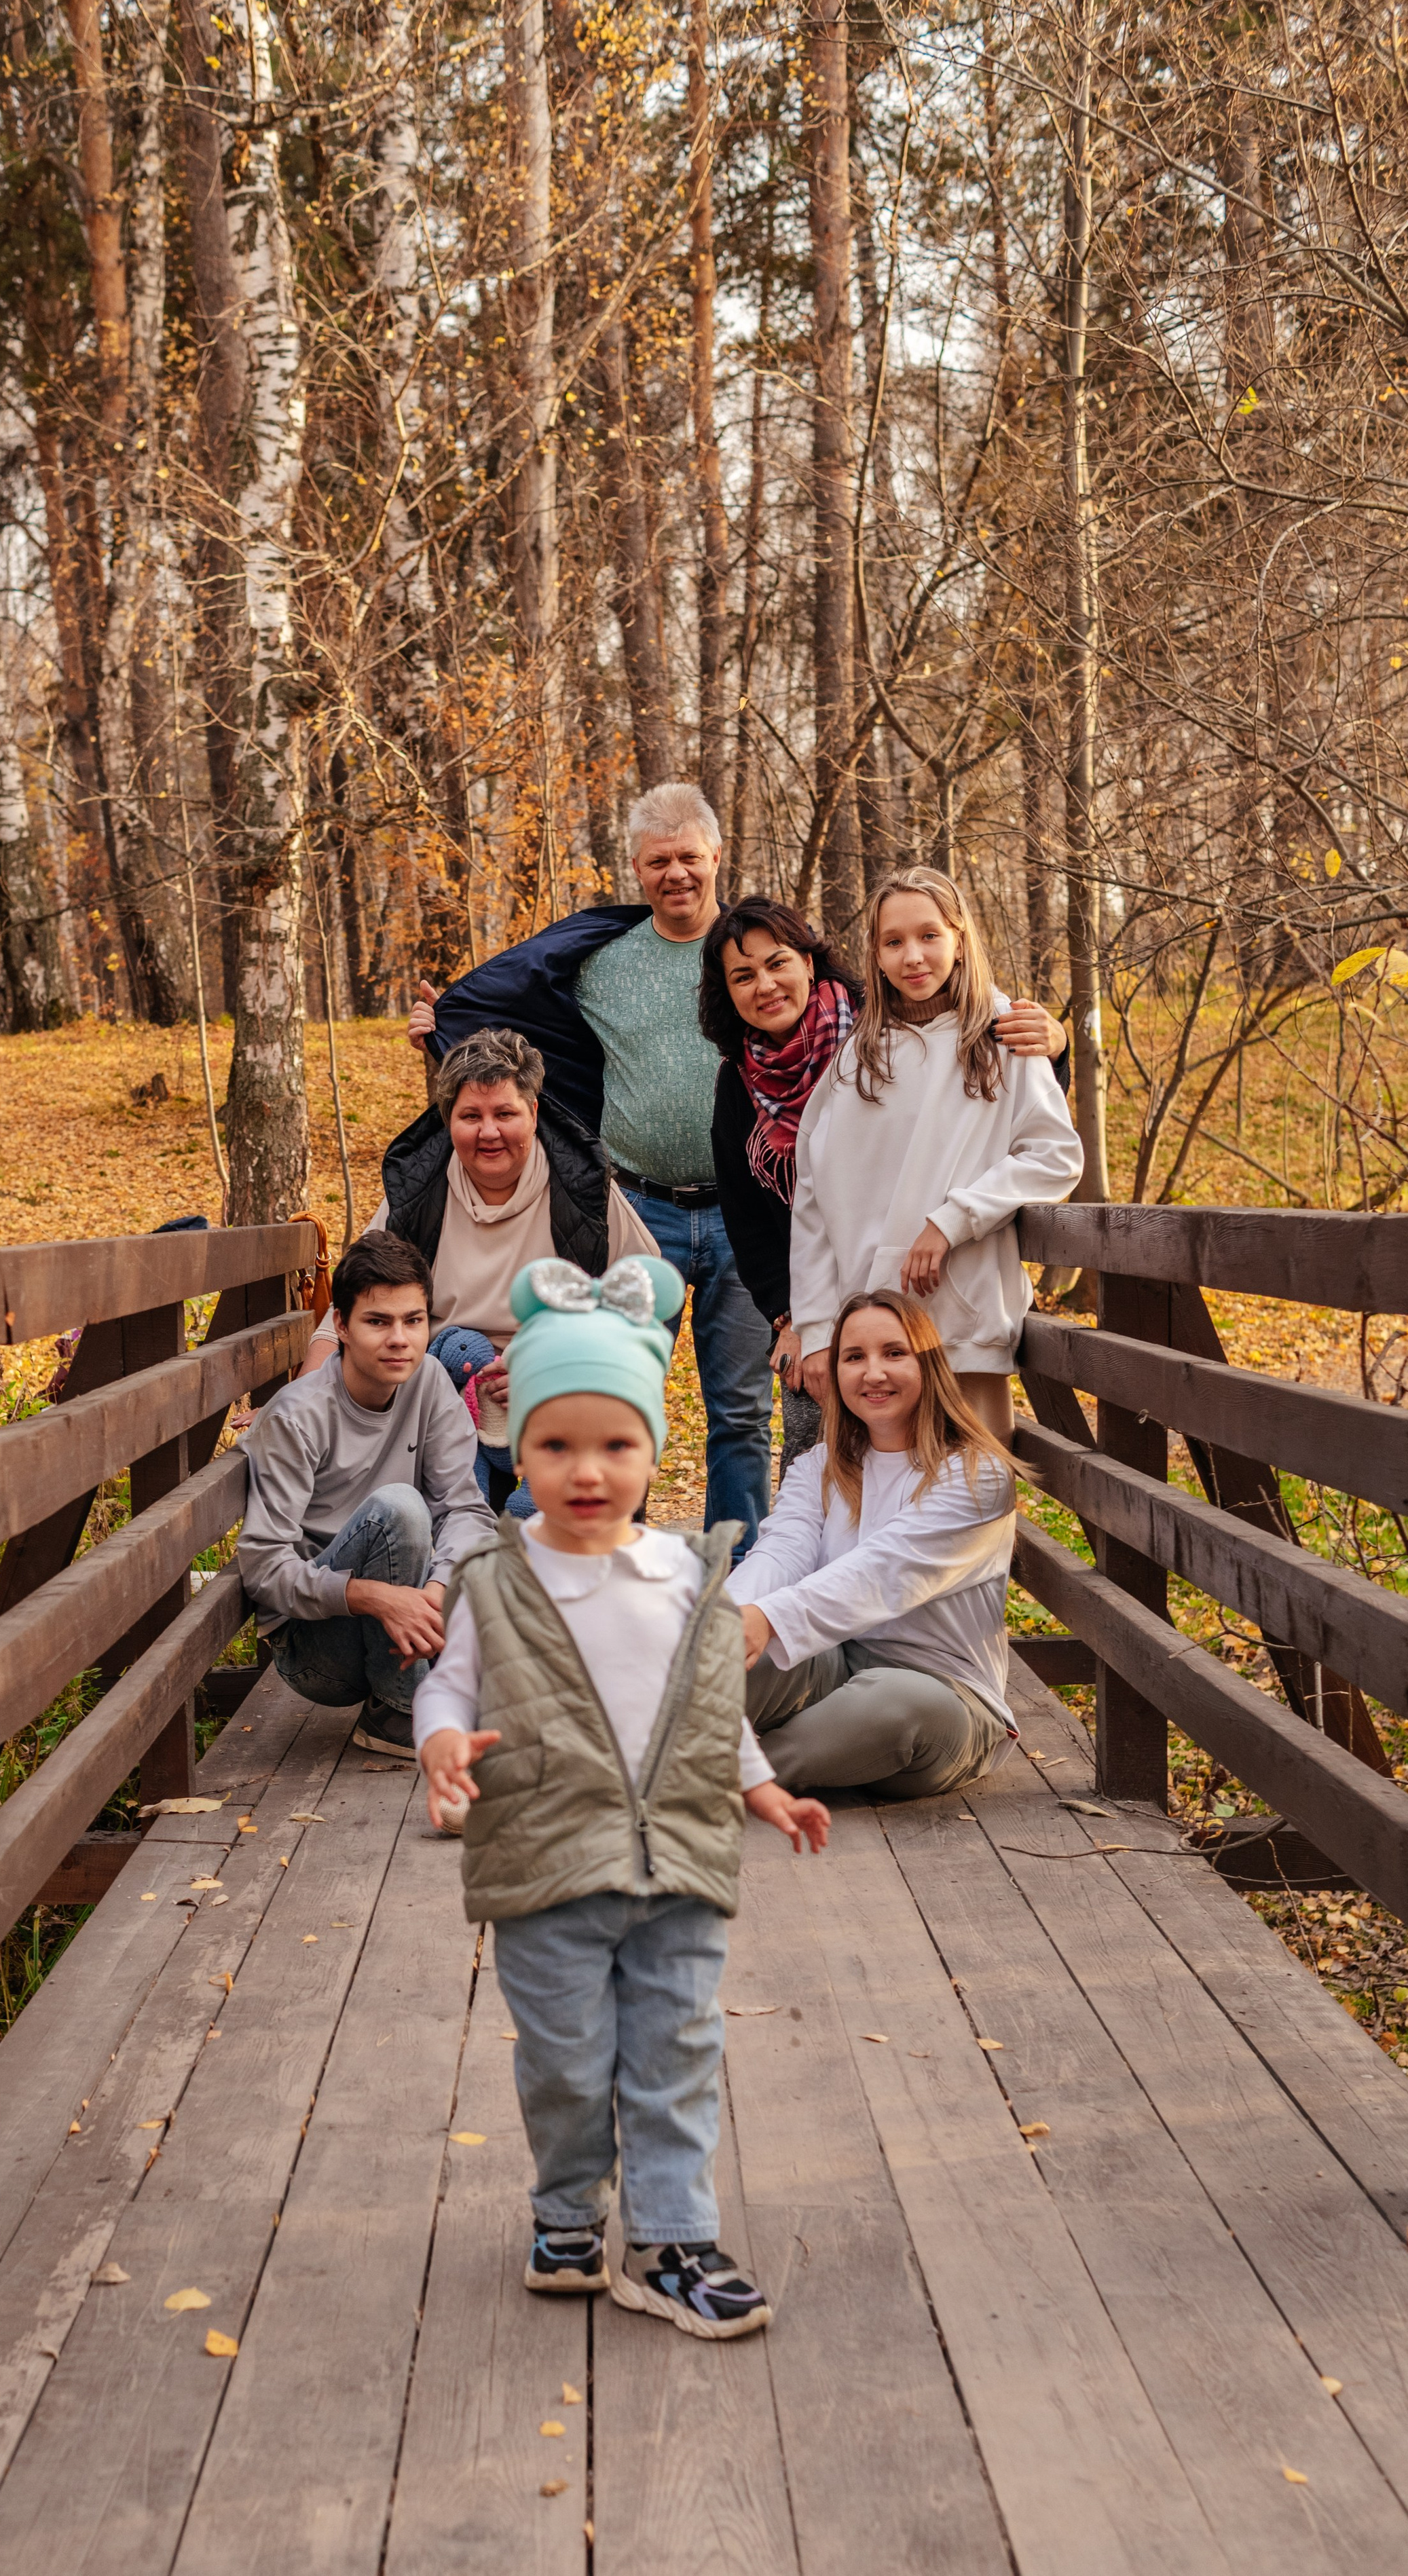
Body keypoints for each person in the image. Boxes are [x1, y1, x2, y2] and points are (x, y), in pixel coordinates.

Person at [415, 1255, 829, 2338]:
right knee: (565, 2062)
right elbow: (449, 1682)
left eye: (617, 1444)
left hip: (677, 1863)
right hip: (547, 1868)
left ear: (653, 1449)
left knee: (675, 2051)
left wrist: (763, 1788)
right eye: (557, 1445)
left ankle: (669, 2240)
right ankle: (566, 2213)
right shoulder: (498, 1578)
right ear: (520, 1450)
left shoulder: (687, 1574)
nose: (588, 1470)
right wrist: (443, 1738)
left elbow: (710, 1701)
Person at [410, 781, 773, 1554]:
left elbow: (844, 1008)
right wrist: (443, 1027)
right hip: (638, 1212)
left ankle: (737, 1576)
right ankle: (608, 1562)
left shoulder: (752, 956)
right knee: (612, 1395)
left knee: (741, 1410)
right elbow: (517, 1030)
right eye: (657, 861)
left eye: (688, 857)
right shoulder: (601, 961)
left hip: (743, 1212)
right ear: (636, 869)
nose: (675, 874)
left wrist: (1019, 1026)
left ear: (716, 856)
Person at [699, 895, 1069, 1474]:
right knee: (842, 1479)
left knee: (970, 1489)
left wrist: (1055, 1044)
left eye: (777, 963)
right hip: (847, 1318)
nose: (765, 985)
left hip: (954, 1309)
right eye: (743, 976)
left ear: (808, 963)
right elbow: (771, 1215)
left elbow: (1028, 1130)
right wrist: (803, 1323)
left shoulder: (887, 1020)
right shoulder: (765, 1075)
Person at [790, 864, 1083, 1444]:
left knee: (975, 1491)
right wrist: (819, 1329)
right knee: (878, 1495)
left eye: (929, 935)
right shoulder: (854, 1062)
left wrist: (954, 1220)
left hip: (964, 1328)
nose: (913, 957)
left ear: (960, 939)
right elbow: (813, 1203)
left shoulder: (1004, 1038)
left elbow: (1054, 1155)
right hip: (871, 1348)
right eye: (893, 942)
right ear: (875, 955)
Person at [303, 1028, 653, 1514]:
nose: (489, 1133)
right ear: (449, 1120)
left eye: (505, 1114)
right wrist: (300, 1401)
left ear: (533, 1113)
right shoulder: (418, 1192)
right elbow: (351, 1304)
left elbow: (643, 1298)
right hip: (441, 1394)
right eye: (471, 1116)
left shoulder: (582, 1186)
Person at [729, 1290, 1023, 1797]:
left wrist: (768, 1619)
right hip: (838, 1665)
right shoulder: (819, 1466)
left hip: (946, 1697)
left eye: (894, 1353)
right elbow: (781, 1551)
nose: (873, 1374)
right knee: (720, 1650)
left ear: (928, 1363)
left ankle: (713, 1779)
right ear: (836, 1373)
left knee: (891, 1703)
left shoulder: (978, 1475)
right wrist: (729, 1617)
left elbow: (883, 1572)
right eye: (853, 1357)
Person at [238, 1229, 494, 1762]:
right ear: (342, 1326)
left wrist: (436, 1591)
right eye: (378, 1322)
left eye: (413, 1321)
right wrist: (375, 1597)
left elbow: (466, 1508)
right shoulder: (298, 1416)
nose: (400, 1339)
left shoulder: (429, 1382)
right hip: (317, 1648)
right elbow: (264, 1569)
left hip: (409, 1614)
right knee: (399, 1507)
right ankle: (399, 1713)